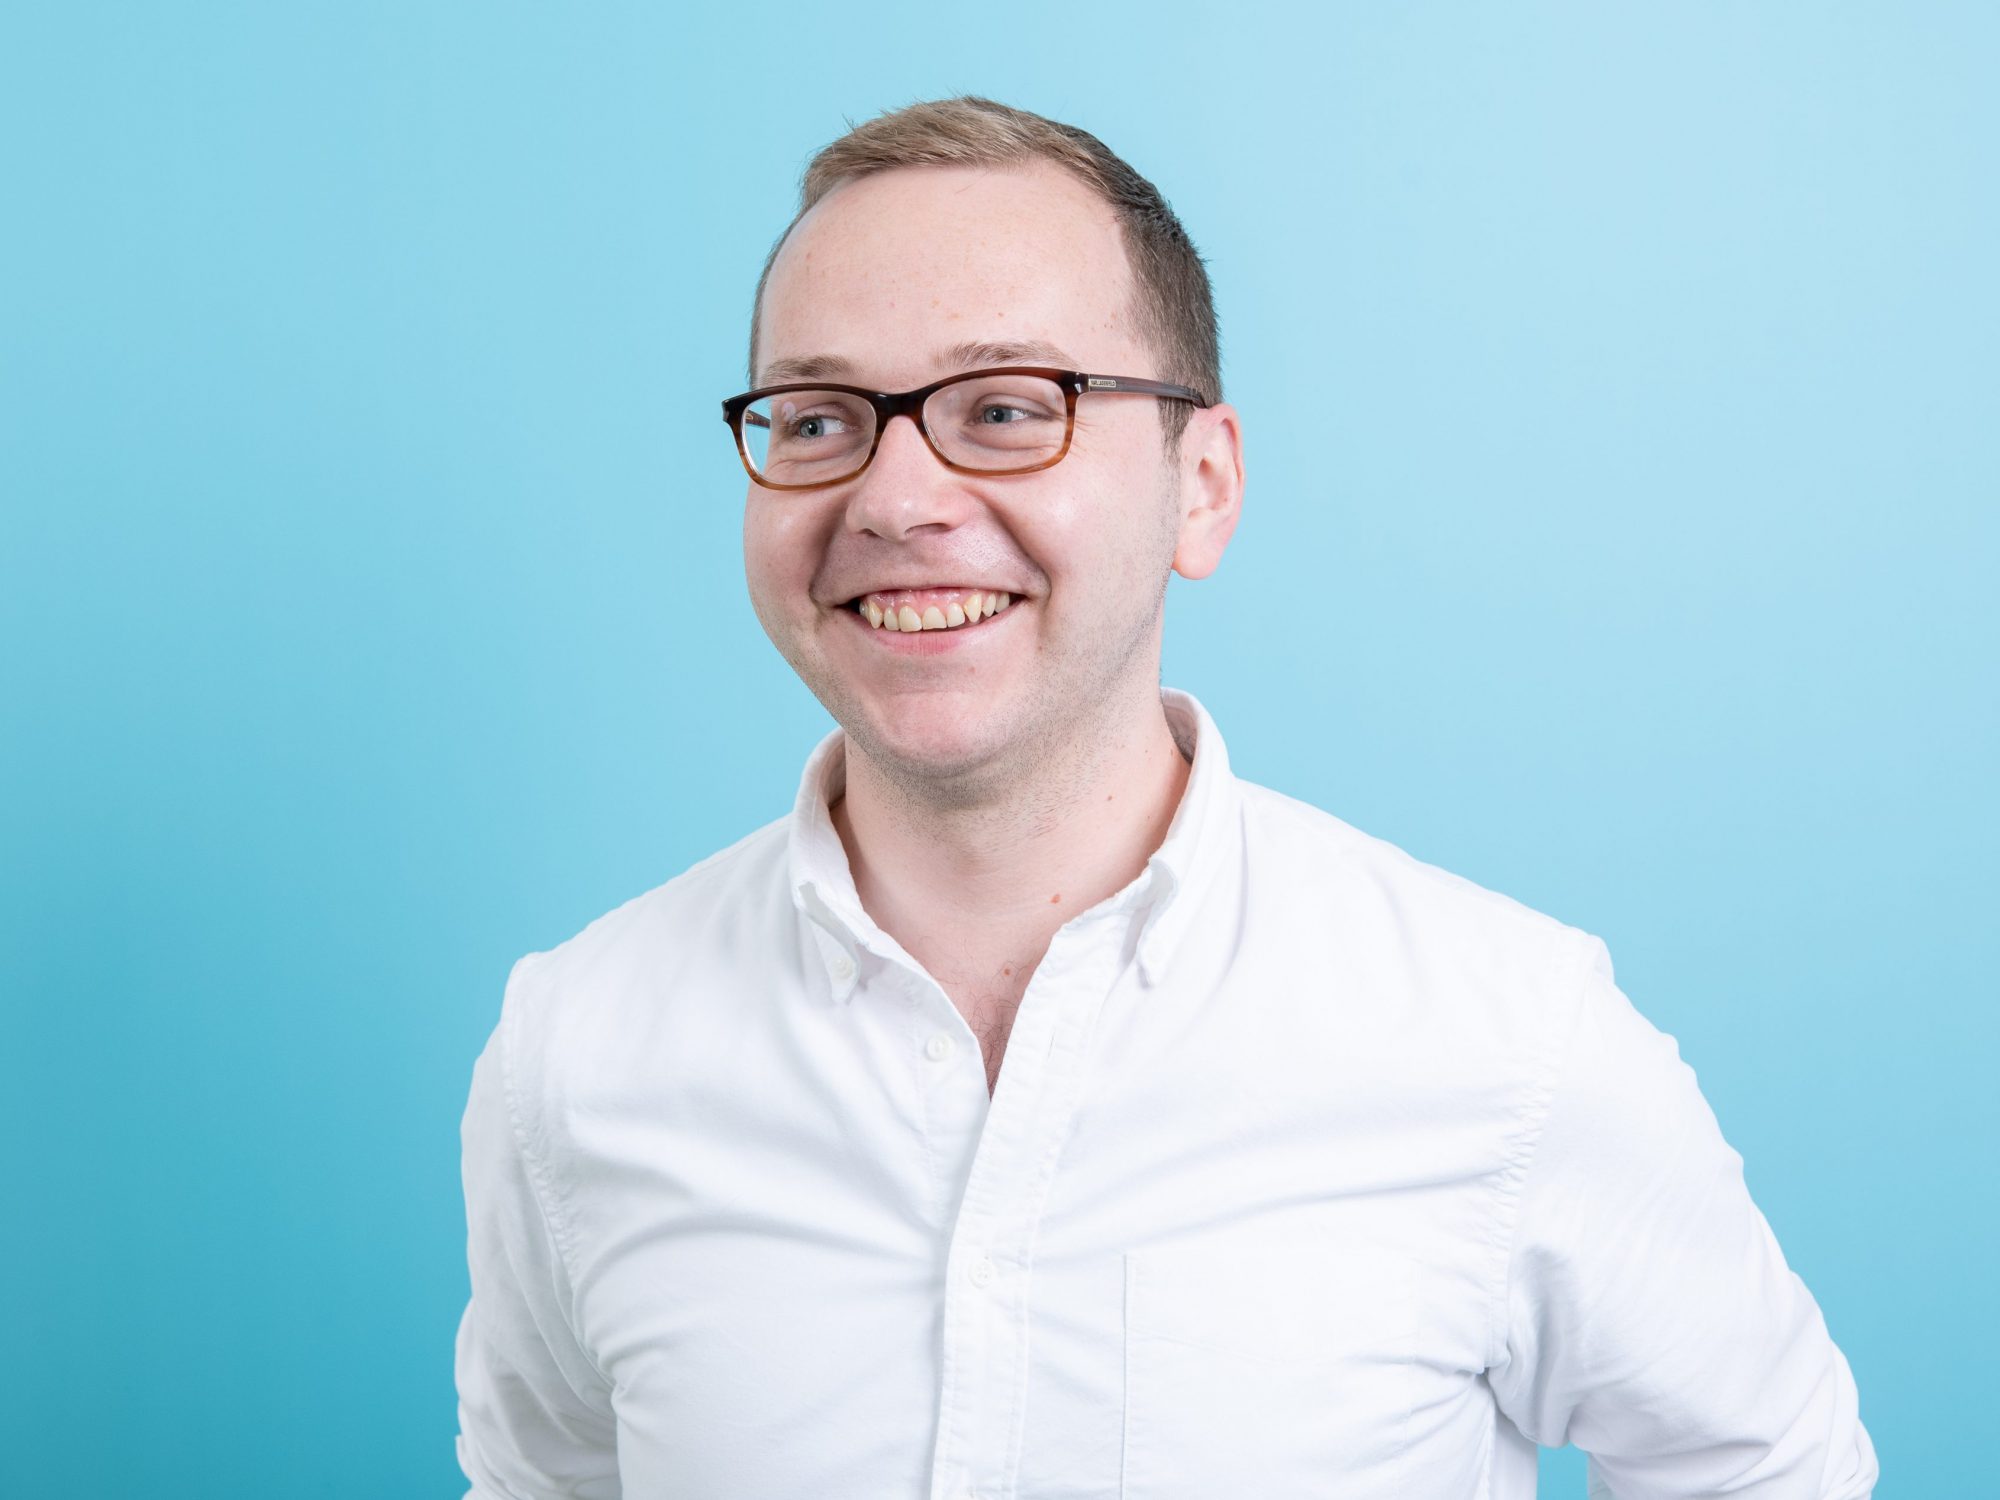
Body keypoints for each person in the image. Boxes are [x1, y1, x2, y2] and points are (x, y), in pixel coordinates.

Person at [454, 96, 1877, 1499]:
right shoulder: (574, 1054)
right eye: (819, 419)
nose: (893, 499)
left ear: (1201, 486)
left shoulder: (1513, 1040)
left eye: (1006, 409)